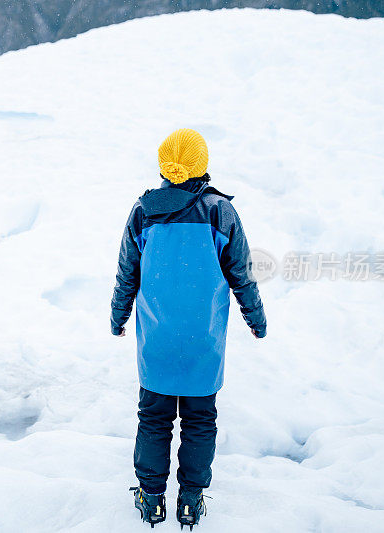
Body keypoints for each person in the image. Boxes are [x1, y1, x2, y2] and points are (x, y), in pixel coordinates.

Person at [111, 128, 267, 529]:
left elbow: (127, 272)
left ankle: (151, 499)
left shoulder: (144, 211)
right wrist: (256, 319)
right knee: (200, 420)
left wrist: (119, 316)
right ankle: (191, 501)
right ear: (202, 164)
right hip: (204, 341)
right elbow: (242, 276)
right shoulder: (219, 212)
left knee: (154, 418)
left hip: (157, 340)